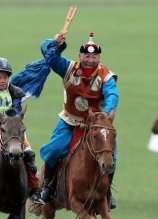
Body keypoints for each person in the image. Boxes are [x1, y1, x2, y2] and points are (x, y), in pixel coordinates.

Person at [38, 32, 119, 208]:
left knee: (111, 155)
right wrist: (55, 43)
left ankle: (107, 192)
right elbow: (50, 56)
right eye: (87, 56)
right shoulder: (68, 68)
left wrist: (105, 113)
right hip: (69, 121)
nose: (90, 59)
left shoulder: (106, 76)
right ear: (79, 55)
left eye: (94, 56)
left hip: (96, 125)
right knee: (53, 150)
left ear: (99, 57)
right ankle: (47, 187)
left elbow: (112, 94)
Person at [0, 57, 42, 206]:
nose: (2, 80)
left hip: (14, 132)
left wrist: (8, 116)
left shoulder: (15, 92)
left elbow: (16, 110)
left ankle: (35, 190)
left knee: (29, 154)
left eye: (5, 77)